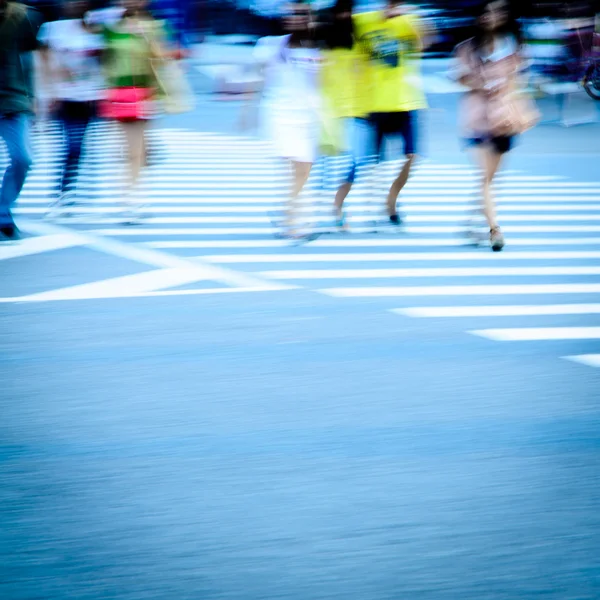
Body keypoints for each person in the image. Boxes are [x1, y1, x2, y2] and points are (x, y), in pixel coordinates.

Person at [453, 0, 537, 252]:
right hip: (477, 119)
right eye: (487, 13)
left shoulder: (513, 48)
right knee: (486, 178)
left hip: (505, 120)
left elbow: (517, 82)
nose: (492, 17)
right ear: (480, 18)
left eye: (498, 12)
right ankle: (495, 230)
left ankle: (470, 222)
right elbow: (461, 79)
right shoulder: (467, 48)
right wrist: (482, 83)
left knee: (490, 178)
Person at [245, 2, 323, 240]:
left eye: (302, 14)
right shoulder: (270, 45)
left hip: (309, 115)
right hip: (280, 113)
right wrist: (248, 111)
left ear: (310, 18)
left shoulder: (317, 48)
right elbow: (256, 79)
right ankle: (291, 221)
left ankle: (287, 212)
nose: (297, 18)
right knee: (295, 167)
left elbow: (323, 85)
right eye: (293, 14)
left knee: (305, 168)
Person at [351, 0, 430, 227]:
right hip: (374, 102)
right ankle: (375, 206)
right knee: (374, 161)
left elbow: (424, 43)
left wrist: (407, 17)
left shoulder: (409, 19)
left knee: (413, 156)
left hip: (407, 101)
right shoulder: (363, 19)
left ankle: (391, 199)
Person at [100, 0, 172, 221]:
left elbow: (162, 58)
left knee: (141, 149)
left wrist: (147, 38)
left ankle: (134, 197)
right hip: (118, 92)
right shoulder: (110, 25)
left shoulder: (155, 25)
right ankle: (130, 199)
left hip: (143, 92)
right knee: (128, 149)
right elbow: (104, 60)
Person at [38, 0, 105, 215]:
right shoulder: (53, 30)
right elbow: (44, 63)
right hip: (63, 98)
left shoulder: (98, 28)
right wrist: (48, 92)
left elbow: (104, 64)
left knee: (81, 145)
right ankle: (64, 190)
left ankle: (75, 189)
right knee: (70, 145)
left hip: (88, 98)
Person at [320, 0, 371, 230]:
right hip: (328, 112)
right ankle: (329, 210)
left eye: (348, 11)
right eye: (340, 11)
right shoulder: (323, 43)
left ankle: (337, 205)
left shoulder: (359, 41)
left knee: (355, 164)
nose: (344, 15)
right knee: (326, 167)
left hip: (355, 111)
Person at [0, 0, 43, 240]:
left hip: (13, 101)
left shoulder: (23, 17)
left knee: (22, 158)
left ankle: (3, 211)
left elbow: (29, 60)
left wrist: (33, 97)